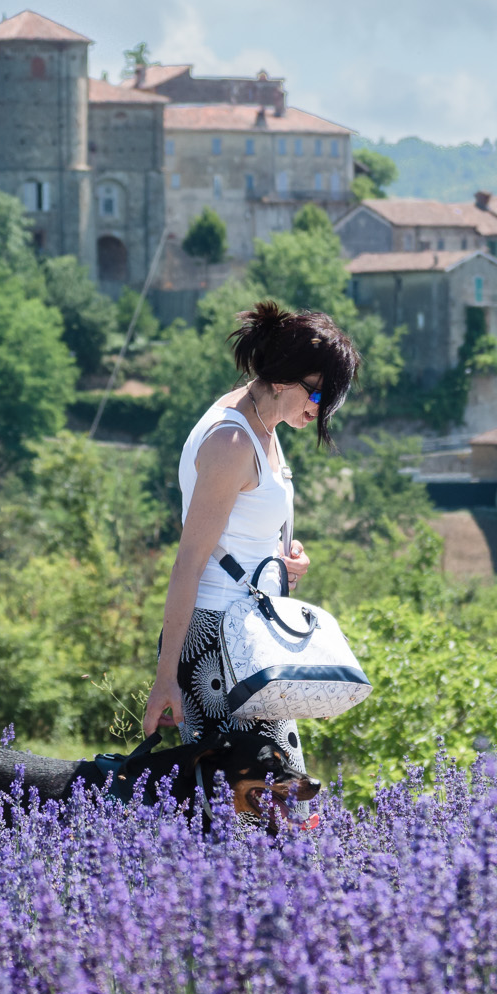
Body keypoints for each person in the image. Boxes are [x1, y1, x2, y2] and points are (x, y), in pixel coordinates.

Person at [141, 301, 362, 781]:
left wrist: (283, 565)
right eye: (321, 397)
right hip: (217, 644)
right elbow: (189, 564)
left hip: (249, 638)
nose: (320, 410)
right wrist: (165, 677)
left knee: (271, 803)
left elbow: (238, 536)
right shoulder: (233, 443)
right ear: (283, 380)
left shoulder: (264, 420)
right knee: (244, 811)